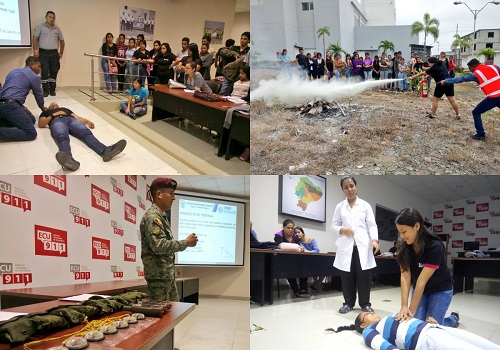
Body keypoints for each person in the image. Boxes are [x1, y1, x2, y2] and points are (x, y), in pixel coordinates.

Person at [394, 208, 459, 328]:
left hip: (440, 289)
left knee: (432, 326)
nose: (401, 236)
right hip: (421, 290)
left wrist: (411, 311)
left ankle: (453, 319)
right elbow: (405, 275)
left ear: (417, 226)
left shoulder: (435, 246)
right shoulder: (404, 246)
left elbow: (421, 281)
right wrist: (404, 306)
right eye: (399, 232)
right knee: (417, 323)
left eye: (404, 231)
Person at [140, 177, 198, 301]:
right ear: (159, 194)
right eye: (171, 193)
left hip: (166, 276)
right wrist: (185, 243)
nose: (174, 197)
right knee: (162, 316)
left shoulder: (161, 216)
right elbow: (158, 246)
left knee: (173, 313)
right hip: (158, 279)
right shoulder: (153, 217)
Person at [331, 175, 379, 314]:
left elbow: (372, 225)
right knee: (347, 277)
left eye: (351, 186)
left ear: (356, 186)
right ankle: (348, 303)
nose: (349, 189)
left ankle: (365, 304)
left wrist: (375, 240)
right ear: (342, 190)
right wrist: (342, 229)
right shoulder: (340, 207)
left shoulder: (365, 205)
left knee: (364, 277)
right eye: (346, 187)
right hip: (346, 247)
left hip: (363, 247)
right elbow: (333, 226)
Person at [331, 311, 500, 350]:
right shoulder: (369, 331)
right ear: (363, 324)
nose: (372, 312)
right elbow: (383, 346)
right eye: (367, 314)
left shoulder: (385, 320)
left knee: (489, 345)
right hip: (426, 340)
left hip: (436, 329)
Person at [38, 102, 127, 171]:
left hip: (71, 119)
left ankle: (105, 151)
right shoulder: (46, 112)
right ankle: (68, 160)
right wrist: (53, 115)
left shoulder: (65, 109)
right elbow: (41, 124)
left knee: (86, 133)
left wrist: (87, 121)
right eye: (52, 104)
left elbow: (77, 117)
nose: (54, 104)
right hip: (56, 120)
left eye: (55, 104)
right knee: (62, 136)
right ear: (49, 107)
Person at [440, 58, 500, 141]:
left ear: (474, 66)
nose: (470, 70)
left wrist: (446, 81)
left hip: (494, 97)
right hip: (496, 95)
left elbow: (461, 79)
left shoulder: (476, 74)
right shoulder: (494, 67)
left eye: (470, 68)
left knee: (476, 112)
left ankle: (480, 134)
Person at [0, 56, 46, 142]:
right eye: (38, 66)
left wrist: (21, 107)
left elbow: (7, 91)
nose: (40, 70)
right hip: (10, 105)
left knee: (31, 119)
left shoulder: (13, 72)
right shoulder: (34, 76)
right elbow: (38, 94)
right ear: (31, 65)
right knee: (31, 133)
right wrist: (43, 108)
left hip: (4, 103)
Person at [274, 219, 310, 297]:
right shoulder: (278, 235)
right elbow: (281, 246)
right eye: (288, 227)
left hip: (295, 258)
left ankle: (303, 289)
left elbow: (298, 247)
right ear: (283, 227)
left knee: (304, 266)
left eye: (292, 228)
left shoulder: (295, 236)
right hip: (283, 259)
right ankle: (296, 290)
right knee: (290, 268)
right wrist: (295, 247)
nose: (291, 230)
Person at [33, 11, 64, 97]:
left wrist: (61, 52)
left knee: (54, 71)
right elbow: (35, 38)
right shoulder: (41, 27)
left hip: (54, 53)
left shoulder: (57, 29)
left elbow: (62, 41)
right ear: (46, 17)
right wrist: (35, 50)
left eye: (53, 18)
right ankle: (45, 90)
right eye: (50, 17)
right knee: (45, 71)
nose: (52, 19)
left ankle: (52, 90)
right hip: (43, 52)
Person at [295, 226, 324, 290]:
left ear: (303, 233)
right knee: (309, 266)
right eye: (295, 233)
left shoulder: (311, 239)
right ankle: (317, 283)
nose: (297, 234)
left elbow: (317, 250)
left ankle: (318, 283)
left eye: (298, 232)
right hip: (306, 260)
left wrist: (308, 252)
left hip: (315, 258)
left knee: (324, 266)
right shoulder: (298, 242)